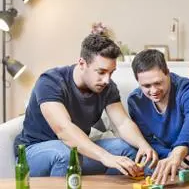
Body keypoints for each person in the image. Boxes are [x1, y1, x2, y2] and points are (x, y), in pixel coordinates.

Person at [14, 33, 158, 177]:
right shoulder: (51, 81)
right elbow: (64, 129)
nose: (107, 80)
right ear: (82, 63)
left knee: (125, 149)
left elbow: (122, 123)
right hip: (33, 154)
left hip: (75, 151)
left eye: (111, 73)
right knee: (65, 155)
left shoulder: (107, 87)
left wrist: (142, 145)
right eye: (101, 72)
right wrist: (105, 157)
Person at [128, 49, 189, 184]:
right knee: (149, 168)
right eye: (146, 86)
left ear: (167, 72)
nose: (153, 91)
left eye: (158, 83)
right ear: (137, 81)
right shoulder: (135, 101)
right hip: (168, 154)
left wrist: (178, 153)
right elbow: (149, 140)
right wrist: (170, 156)